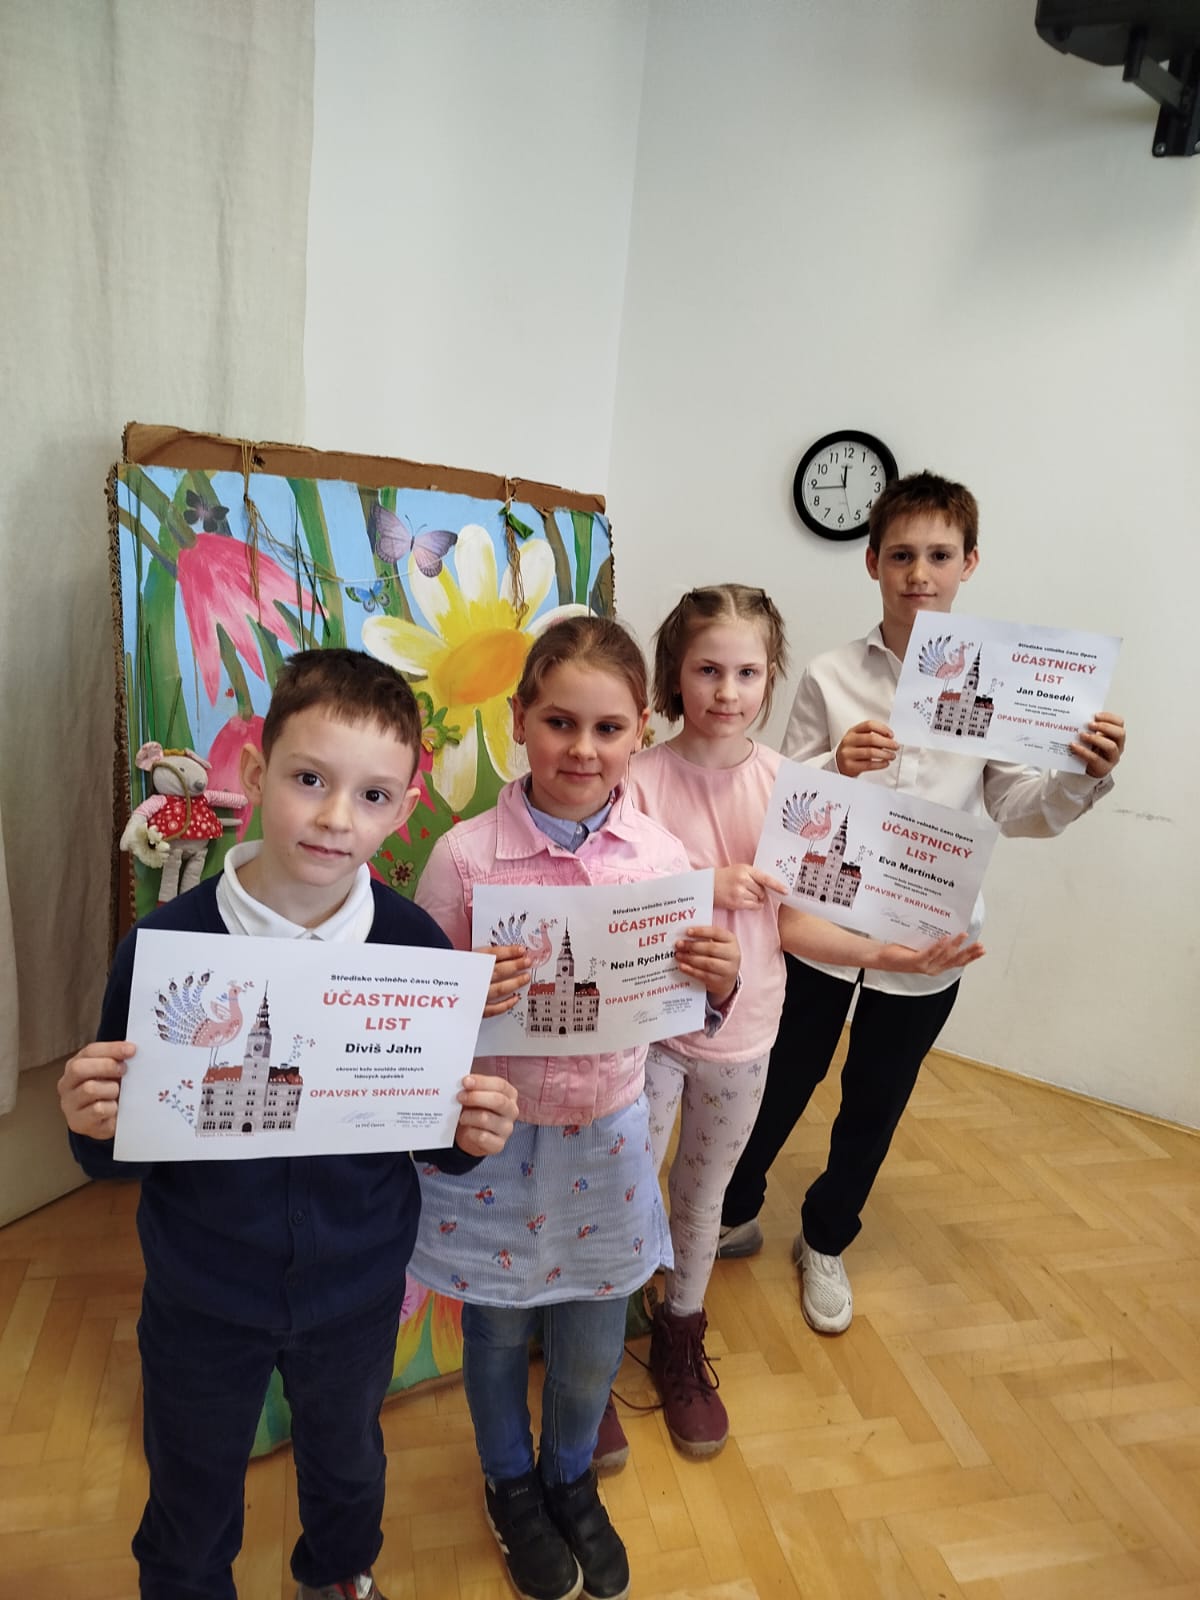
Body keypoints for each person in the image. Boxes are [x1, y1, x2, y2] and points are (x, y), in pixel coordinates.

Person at [57, 649, 520, 1600]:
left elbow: (428, 1131)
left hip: (356, 1286)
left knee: (347, 1465)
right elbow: (115, 1149)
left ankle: (338, 1574)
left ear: (404, 808)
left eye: (373, 795)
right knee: (191, 1487)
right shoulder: (165, 944)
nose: (337, 817)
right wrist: (89, 1120)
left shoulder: (415, 947)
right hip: (202, 1291)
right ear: (256, 772)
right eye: (310, 779)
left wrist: (467, 1134)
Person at [718, 471, 1127, 1339]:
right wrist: (836, 765)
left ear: (969, 563)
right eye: (901, 555)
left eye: (940, 555)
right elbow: (780, 798)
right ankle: (734, 1208)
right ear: (871, 562)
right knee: (780, 1076)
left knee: (877, 1097)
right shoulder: (829, 675)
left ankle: (826, 1238)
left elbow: (1017, 807)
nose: (919, 573)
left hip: (929, 935)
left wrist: (1081, 777)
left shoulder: (1004, 685)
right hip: (823, 925)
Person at [408, 615, 741, 1600]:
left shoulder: (661, 860)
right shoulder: (465, 858)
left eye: (607, 728)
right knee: (497, 1329)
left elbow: (683, 1008)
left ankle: (567, 1479)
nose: (582, 749)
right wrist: (464, 989)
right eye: (559, 722)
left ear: (642, 730)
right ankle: (510, 1484)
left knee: (595, 1336)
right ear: (519, 719)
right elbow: (414, 1018)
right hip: (494, 1141)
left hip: (608, 1134)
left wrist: (717, 981)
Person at [626, 583, 983, 1459]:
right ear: (675, 673)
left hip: (745, 1035)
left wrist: (892, 955)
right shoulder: (637, 779)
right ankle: (597, 1342)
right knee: (626, 1184)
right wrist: (701, 888)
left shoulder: (790, 785)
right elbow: (612, 906)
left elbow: (790, 922)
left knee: (703, 1197)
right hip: (649, 1034)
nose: (728, 691)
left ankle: (680, 1332)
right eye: (707, 669)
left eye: (748, 672)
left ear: (771, 676)